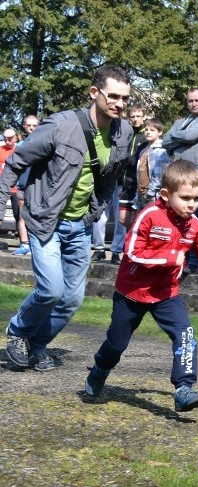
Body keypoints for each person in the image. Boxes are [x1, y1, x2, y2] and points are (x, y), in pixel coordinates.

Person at [0, 63, 133, 372]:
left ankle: (36, 345)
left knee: (72, 299)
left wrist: (95, 210)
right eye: (113, 96)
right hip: (46, 221)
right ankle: (18, 333)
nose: (119, 104)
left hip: (81, 225)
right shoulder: (60, 126)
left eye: (124, 98)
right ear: (94, 92)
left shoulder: (123, 132)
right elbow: (15, 162)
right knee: (51, 290)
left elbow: (112, 176)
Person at [84, 160, 198, 411]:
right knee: (116, 344)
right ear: (166, 194)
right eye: (185, 198)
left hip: (166, 294)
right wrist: (170, 258)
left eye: (196, 198)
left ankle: (184, 388)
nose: (192, 204)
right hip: (132, 293)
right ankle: (99, 370)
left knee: (185, 335)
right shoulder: (149, 216)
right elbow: (131, 252)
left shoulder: (192, 224)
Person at [161, 87, 198, 275]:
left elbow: (189, 136)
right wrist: (181, 137)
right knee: (176, 218)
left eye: (196, 100)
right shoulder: (183, 121)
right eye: (190, 101)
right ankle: (180, 258)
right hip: (178, 175)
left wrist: (179, 136)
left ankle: (196, 261)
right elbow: (164, 141)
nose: (193, 104)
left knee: (196, 218)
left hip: (195, 176)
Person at [95, 105, 145, 264]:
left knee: (120, 220)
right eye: (133, 116)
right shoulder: (123, 132)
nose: (136, 119)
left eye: (139, 116)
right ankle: (99, 249)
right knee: (99, 216)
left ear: (144, 117)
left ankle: (116, 251)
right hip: (110, 180)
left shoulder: (144, 138)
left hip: (127, 185)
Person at [10, 116, 39, 255]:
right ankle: (24, 243)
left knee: (38, 216)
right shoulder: (20, 146)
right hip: (23, 185)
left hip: (39, 186)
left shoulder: (44, 142)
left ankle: (37, 244)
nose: (32, 128)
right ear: (24, 126)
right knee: (22, 216)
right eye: (29, 125)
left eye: (34, 125)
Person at [136, 118, 169, 209]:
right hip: (142, 193)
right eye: (146, 130)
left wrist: (150, 193)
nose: (148, 132)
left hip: (153, 195)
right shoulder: (143, 150)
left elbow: (159, 175)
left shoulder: (160, 150)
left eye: (152, 130)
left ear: (160, 132)